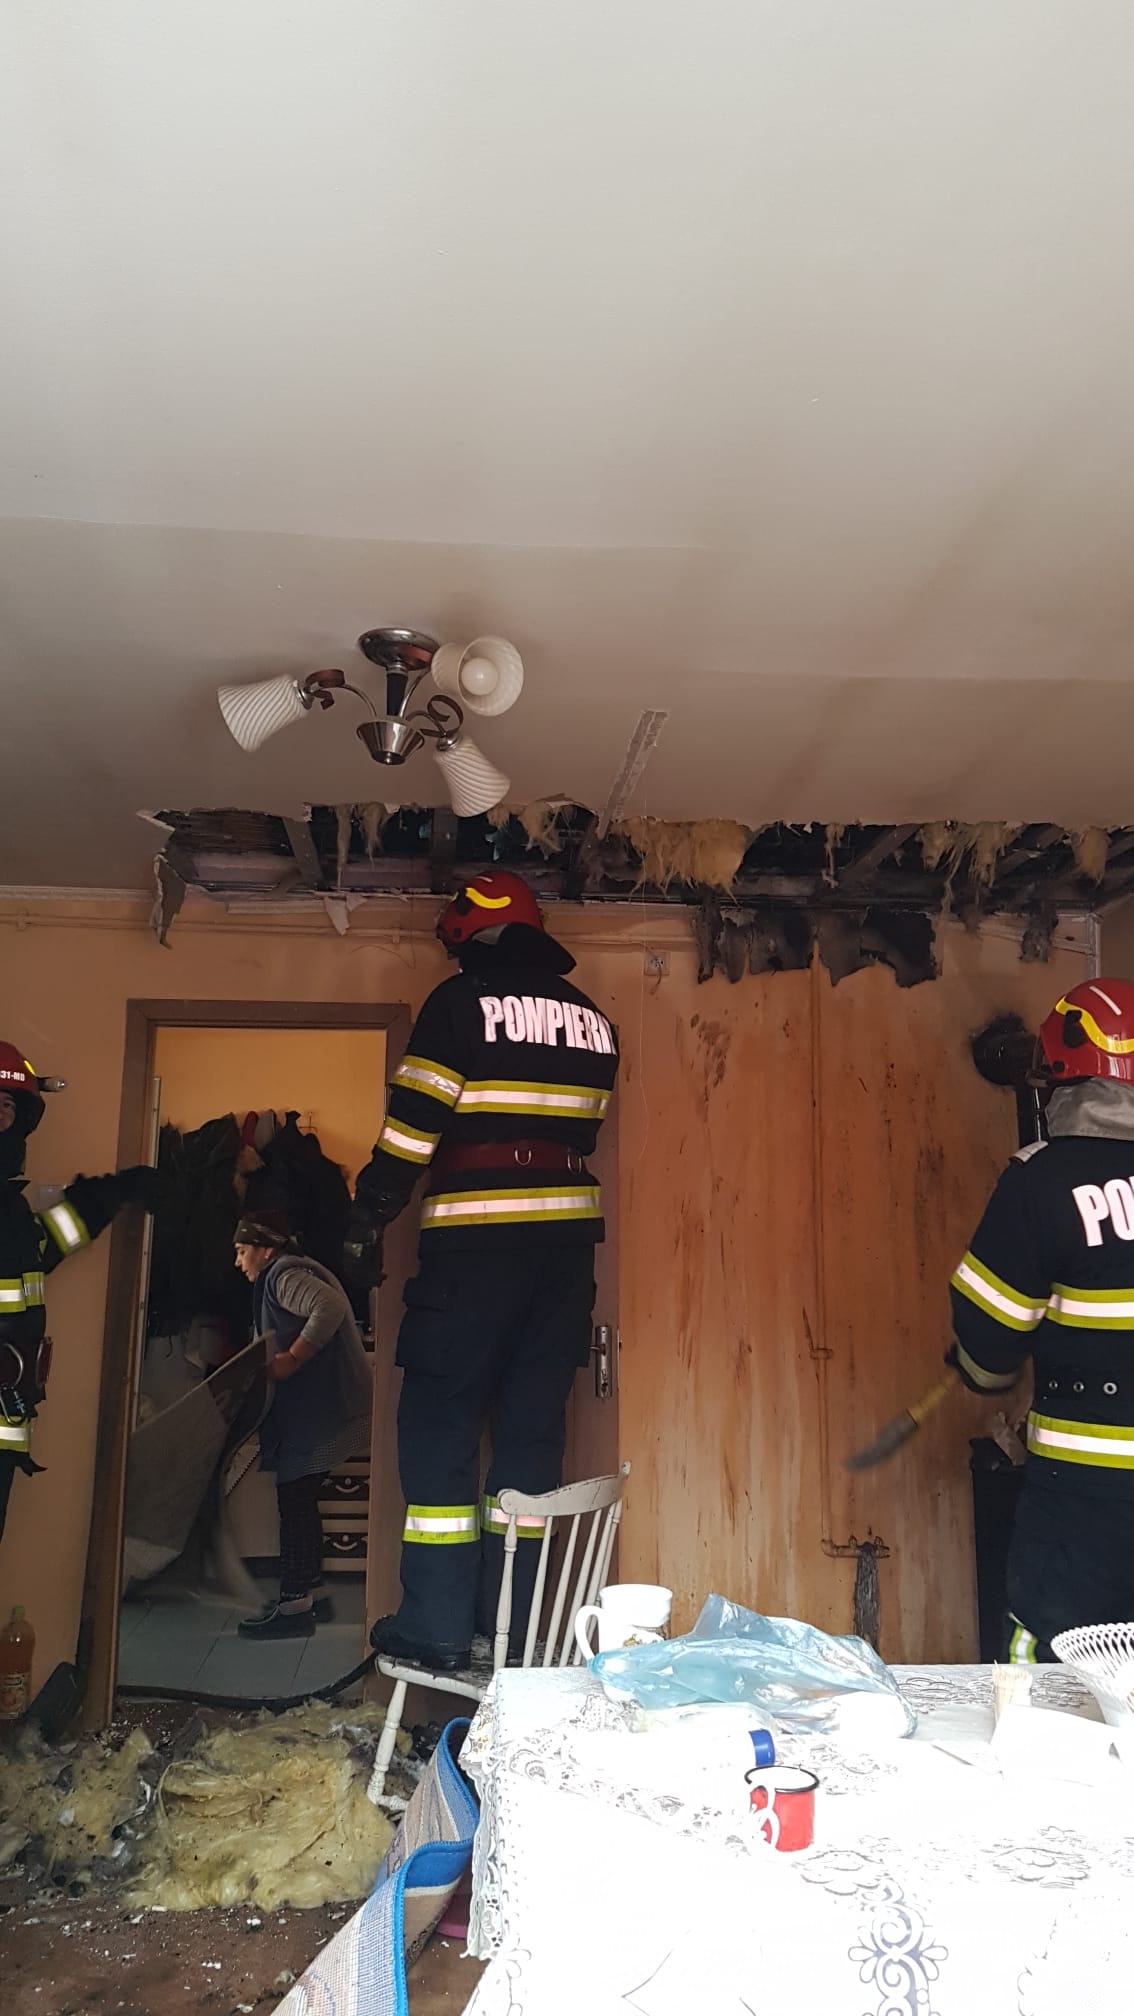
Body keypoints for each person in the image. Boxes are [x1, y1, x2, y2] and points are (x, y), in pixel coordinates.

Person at [346, 869, 620, 1671]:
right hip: (564, 1262)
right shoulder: (595, 1023)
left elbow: (413, 1126)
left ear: (473, 932)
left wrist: (370, 1214)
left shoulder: (458, 1006)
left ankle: (436, 1625)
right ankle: (515, 1626)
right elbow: (581, 1135)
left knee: (440, 1425)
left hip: (473, 1252)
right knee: (531, 1438)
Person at [948, 978, 1134, 1662]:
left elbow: (990, 1337)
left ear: (1059, 1076)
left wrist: (975, 1369)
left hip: (1084, 1491)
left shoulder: (1041, 1179)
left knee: (1054, 1665)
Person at [0, 1042, 161, 1544]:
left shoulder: (9, 1206)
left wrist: (112, 1193)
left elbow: (43, 1247)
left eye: (7, 1106)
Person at [233, 1213, 373, 1640]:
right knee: (302, 1498)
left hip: (320, 1411)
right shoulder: (291, 1270)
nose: (238, 1262)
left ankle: (295, 1606)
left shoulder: (284, 1274)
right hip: (324, 1408)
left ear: (265, 1250)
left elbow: (327, 1308)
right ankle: (311, 1595)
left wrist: (292, 1358)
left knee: (294, 1500)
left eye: (242, 1251)